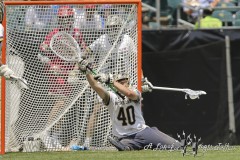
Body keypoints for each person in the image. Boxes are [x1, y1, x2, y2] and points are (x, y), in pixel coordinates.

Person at [78, 60, 181, 151]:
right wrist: (87, 73)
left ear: (128, 83)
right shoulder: (111, 97)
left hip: (142, 132)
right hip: (124, 137)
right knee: (125, 146)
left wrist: (112, 81)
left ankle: (139, 144)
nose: (123, 84)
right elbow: (96, 86)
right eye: (120, 82)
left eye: (125, 82)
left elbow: (129, 94)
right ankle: (128, 146)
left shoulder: (135, 92)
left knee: (177, 146)